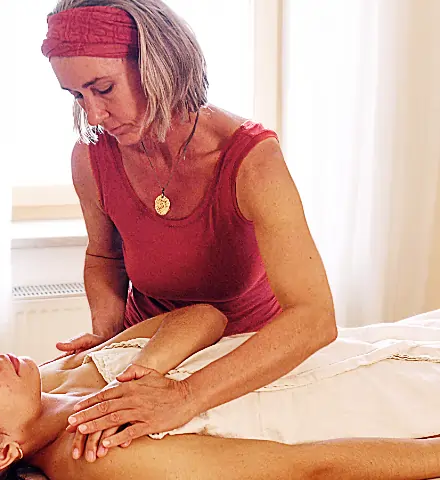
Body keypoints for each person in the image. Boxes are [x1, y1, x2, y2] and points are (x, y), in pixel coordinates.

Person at [42, 0, 338, 454]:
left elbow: (315, 319)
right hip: (150, 352)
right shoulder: (91, 156)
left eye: (103, 88)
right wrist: (109, 340)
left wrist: (184, 397)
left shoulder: (251, 160)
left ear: (161, 66)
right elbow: (104, 255)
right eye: (77, 96)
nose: (94, 115)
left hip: (242, 359)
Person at [0, 304, 440, 480]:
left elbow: (203, 317)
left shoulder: (58, 375)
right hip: (385, 398)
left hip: (365, 347)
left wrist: (148, 372)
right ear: (1, 453)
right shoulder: (106, 455)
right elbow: (308, 466)